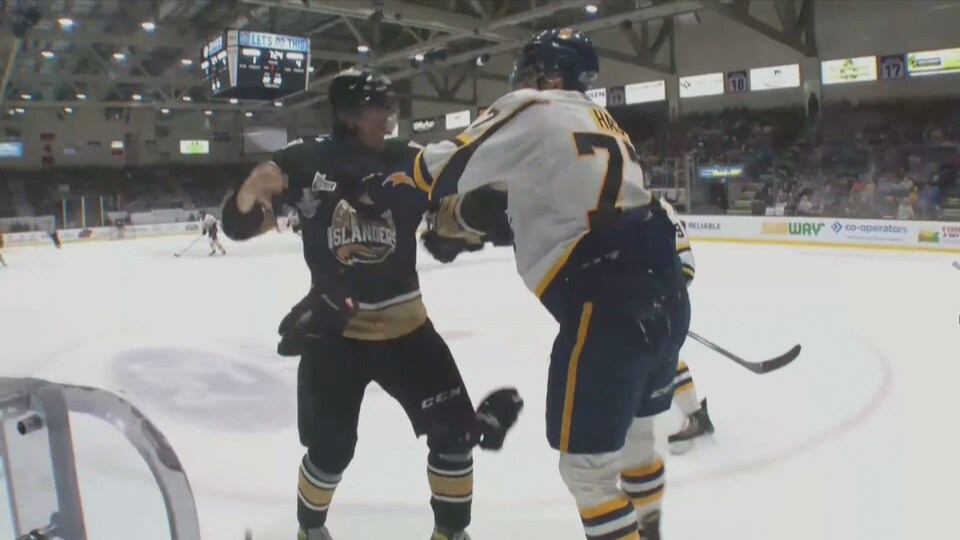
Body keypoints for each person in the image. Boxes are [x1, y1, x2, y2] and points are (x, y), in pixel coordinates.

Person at [409, 29, 690, 540]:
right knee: (637, 440)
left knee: (585, 470)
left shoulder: (534, 105)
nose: (522, 76)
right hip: (664, 289)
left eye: (532, 65)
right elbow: (554, 205)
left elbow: (436, 168)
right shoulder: (605, 122)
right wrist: (477, 227)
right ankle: (650, 530)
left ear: (552, 74)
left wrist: (383, 172)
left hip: (606, 303)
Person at [219, 69, 523, 540]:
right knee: (329, 451)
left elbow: (447, 223)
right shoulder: (307, 160)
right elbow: (243, 219)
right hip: (335, 333)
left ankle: (451, 534)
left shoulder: (411, 159)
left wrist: (488, 204)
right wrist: (248, 194)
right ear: (350, 115)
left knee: (455, 439)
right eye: (380, 110)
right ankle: (309, 530)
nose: (389, 119)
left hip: (408, 329)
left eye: (389, 109)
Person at [662, 201, 715, 455]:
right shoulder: (656, 203)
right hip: (671, 282)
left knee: (661, 356)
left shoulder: (639, 204)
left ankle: (695, 415)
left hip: (666, 286)